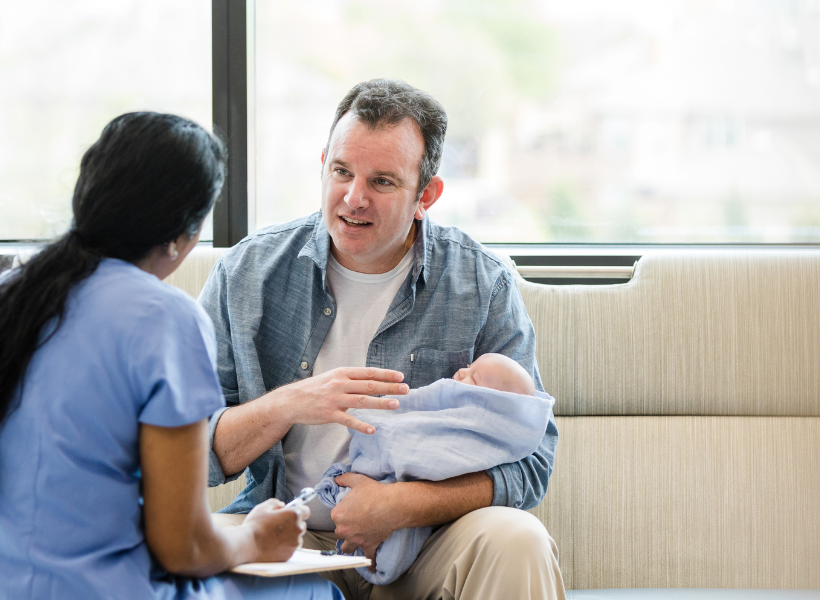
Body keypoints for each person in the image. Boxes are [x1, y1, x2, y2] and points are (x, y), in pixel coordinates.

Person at [0, 112, 343, 600]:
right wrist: (256, 538)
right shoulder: (167, 319)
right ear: (180, 235)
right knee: (312, 592)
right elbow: (182, 547)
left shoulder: (7, 293)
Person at [199, 79, 567, 599]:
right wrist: (287, 405)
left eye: (383, 182)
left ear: (426, 195)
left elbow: (533, 461)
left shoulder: (482, 284)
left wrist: (404, 506)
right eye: (342, 172)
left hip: (426, 541)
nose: (354, 198)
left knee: (517, 538)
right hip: (287, 533)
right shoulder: (246, 275)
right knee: (189, 552)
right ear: (324, 163)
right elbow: (190, 449)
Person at [313, 353, 556, 586]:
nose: (461, 371)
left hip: (432, 544)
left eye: (475, 377)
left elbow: (533, 468)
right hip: (301, 531)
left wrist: (401, 504)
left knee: (520, 537)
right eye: (469, 367)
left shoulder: (490, 429)